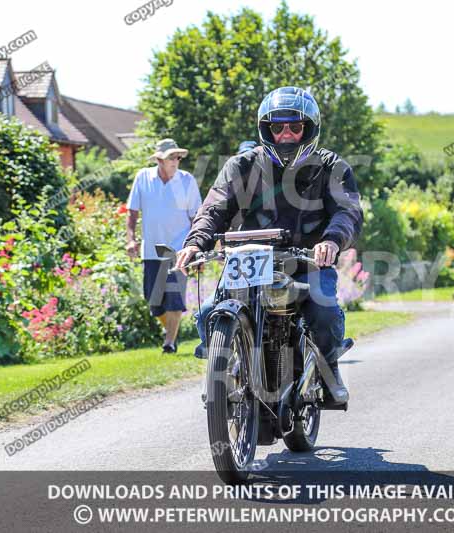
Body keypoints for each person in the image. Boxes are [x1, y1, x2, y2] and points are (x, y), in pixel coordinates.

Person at [174, 86, 363, 405]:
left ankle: (329, 369)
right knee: (208, 311)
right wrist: (195, 243)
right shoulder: (241, 166)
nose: (286, 134)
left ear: (309, 128)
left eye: (294, 126)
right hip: (250, 260)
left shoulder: (331, 166)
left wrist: (331, 240)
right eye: (277, 127)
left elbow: (347, 210)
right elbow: (215, 208)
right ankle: (228, 371)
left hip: (307, 261)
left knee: (324, 312)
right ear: (267, 130)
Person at [126, 138, 202, 353]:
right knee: (154, 301)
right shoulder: (143, 177)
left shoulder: (187, 181)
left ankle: (169, 343)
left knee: (175, 300)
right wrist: (130, 239)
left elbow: (196, 217)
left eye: (178, 157)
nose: (176, 161)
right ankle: (172, 332)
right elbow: (132, 212)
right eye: (171, 157)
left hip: (179, 251)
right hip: (151, 250)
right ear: (159, 159)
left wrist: (196, 247)